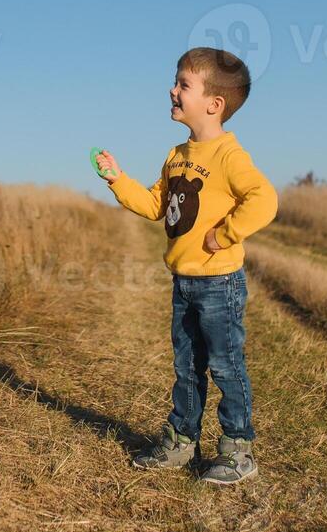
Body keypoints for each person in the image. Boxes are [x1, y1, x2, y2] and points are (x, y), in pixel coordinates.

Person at [93, 47, 278, 485]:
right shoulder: (176, 155)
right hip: (184, 282)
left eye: (183, 84)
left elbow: (264, 199)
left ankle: (238, 449)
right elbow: (156, 204)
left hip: (219, 283)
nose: (172, 90)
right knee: (186, 367)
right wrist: (118, 180)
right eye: (176, 82)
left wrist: (224, 234)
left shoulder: (229, 156)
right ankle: (181, 441)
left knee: (225, 364)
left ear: (214, 104)